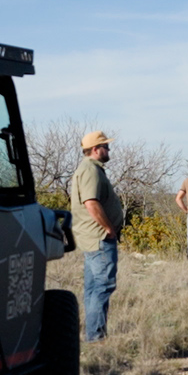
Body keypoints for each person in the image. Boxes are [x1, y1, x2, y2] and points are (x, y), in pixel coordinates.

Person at [69, 130, 124, 341]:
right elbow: (91, 203)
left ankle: (93, 334)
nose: (109, 150)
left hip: (92, 238)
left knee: (93, 288)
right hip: (99, 238)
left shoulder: (89, 169)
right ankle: (96, 336)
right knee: (103, 286)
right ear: (95, 149)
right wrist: (109, 229)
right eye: (106, 146)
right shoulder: (90, 170)